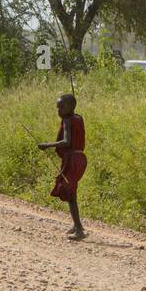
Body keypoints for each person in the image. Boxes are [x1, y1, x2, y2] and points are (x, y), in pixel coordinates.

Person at [38, 93, 88, 240]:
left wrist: (47, 145)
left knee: (70, 194)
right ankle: (76, 224)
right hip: (81, 159)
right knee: (72, 191)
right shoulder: (79, 118)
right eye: (57, 107)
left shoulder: (67, 120)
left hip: (72, 159)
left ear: (71, 107)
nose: (58, 110)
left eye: (62, 107)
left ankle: (79, 230)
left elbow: (66, 142)